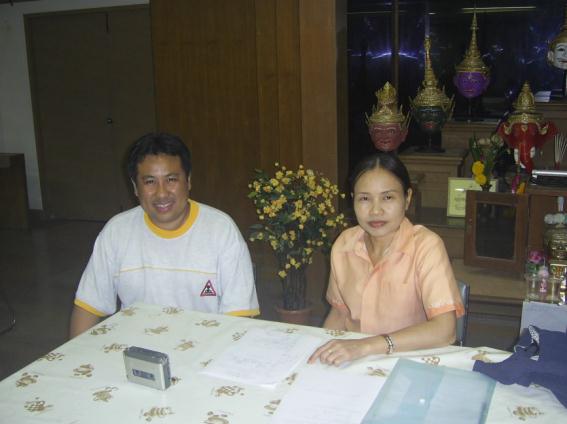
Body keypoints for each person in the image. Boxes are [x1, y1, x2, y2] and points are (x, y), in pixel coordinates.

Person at [69, 133, 259, 338]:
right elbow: (88, 307)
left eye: (171, 180)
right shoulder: (117, 232)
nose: (161, 193)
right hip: (136, 350)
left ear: (188, 181)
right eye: (150, 181)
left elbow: (240, 321)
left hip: (204, 349)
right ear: (135, 187)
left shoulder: (221, 231)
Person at [308, 152, 464, 366]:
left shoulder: (426, 246)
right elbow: (339, 314)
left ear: (407, 198)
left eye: (388, 197)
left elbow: (445, 330)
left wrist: (367, 346)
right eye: (364, 198)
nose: (375, 210)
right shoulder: (344, 244)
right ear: (353, 199)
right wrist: (319, 358)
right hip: (354, 361)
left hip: (408, 361)